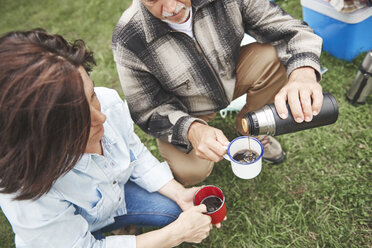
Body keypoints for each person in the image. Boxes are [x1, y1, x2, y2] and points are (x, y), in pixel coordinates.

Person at [0, 29, 218, 248]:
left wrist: (180, 193)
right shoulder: (24, 192)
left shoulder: (108, 103)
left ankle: (118, 229)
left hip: (114, 200)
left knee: (174, 211)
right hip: (60, 240)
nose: (100, 117)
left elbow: (137, 155)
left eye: (92, 96)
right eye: (77, 119)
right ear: (38, 137)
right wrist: (174, 235)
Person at [112, 0, 324, 185]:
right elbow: (147, 110)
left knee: (276, 56)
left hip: (231, 78)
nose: (170, 7)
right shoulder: (128, 38)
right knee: (191, 172)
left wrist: (303, 73)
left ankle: (252, 131)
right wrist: (191, 130)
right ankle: (197, 133)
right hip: (183, 109)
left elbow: (289, 29)